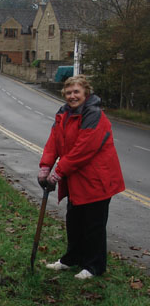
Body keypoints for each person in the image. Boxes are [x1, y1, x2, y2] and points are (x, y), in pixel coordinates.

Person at [38, 74, 124, 279]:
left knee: (93, 224)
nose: (72, 96)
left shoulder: (94, 115)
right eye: (68, 92)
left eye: (76, 92)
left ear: (86, 93)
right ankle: (72, 259)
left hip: (97, 180)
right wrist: (45, 166)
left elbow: (83, 149)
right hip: (77, 180)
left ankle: (94, 266)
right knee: (74, 221)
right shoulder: (63, 114)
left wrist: (58, 171)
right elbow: (54, 141)